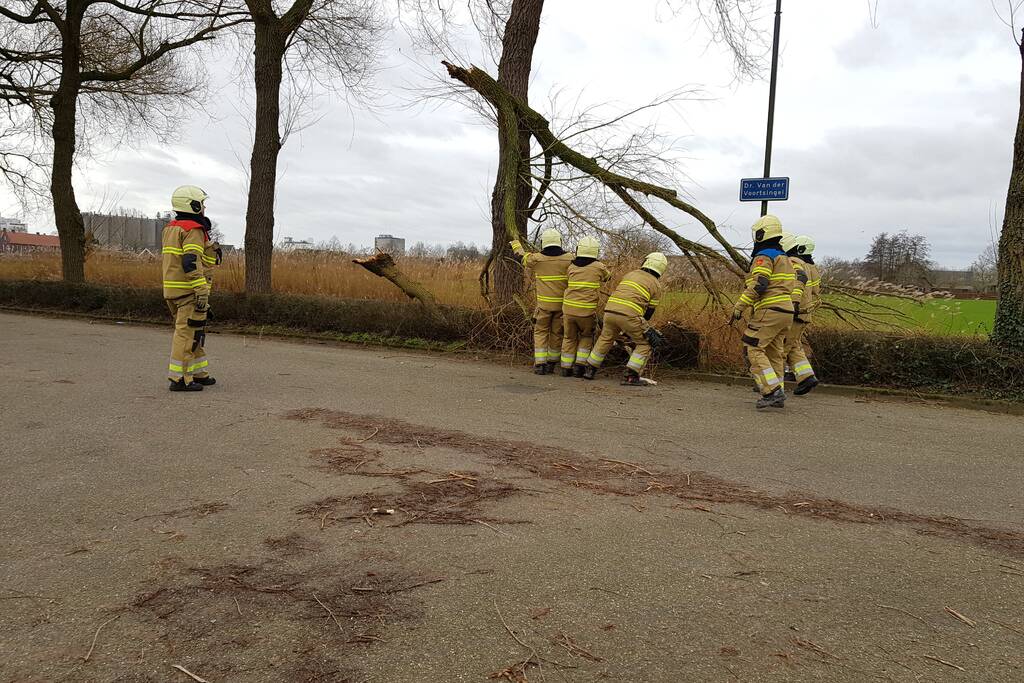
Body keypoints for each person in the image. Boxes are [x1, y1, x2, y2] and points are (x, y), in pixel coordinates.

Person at [732, 215, 802, 409]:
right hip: (786, 311)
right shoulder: (785, 258)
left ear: (762, 234)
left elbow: (759, 284)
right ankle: (778, 391)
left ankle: (771, 391)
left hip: (769, 309)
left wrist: (739, 306)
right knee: (774, 353)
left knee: (753, 348)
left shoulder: (764, 256)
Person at [583, 252, 667, 386]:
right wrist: (639, 328)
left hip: (610, 311)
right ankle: (631, 376)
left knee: (606, 338)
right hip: (630, 315)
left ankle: (590, 369)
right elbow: (649, 313)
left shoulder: (631, 274)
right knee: (645, 343)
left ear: (645, 262)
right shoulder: (656, 285)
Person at [162, 185, 216, 392]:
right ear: (192, 205)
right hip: (189, 292)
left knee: (195, 333)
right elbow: (190, 262)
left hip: (173, 290)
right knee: (186, 335)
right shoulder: (192, 230)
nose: (204, 207)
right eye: (202, 204)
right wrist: (201, 290)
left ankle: (198, 373)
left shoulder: (171, 228)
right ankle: (180, 379)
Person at [511, 229, 573, 374]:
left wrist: (515, 242)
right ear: (559, 242)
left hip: (544, 306)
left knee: (540, 333)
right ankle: (551, 363)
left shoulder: (536, 259)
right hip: (561, 306)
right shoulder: (570, 258)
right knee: (557, 334)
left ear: (543, 243)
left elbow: (521, 257)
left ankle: (540, 364)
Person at [559, 236, 611, 377]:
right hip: (586, 312)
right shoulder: (599, 267)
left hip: (568, 310)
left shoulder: (571, 266)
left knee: (569, 338)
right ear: (595, 251)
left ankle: (565, 368)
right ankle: (579, 367)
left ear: (578, 250)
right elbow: (608, 277)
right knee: (586, 337)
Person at [782, 234, 820, 395]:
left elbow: (795, 286)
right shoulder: (812, 267)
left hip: (795, 313)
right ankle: (806, 377)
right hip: (805, 314)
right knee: (794, 345)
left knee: (781, 348)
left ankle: (772, 386)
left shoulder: (794, 263)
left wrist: (793, 304)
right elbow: (816, 291)